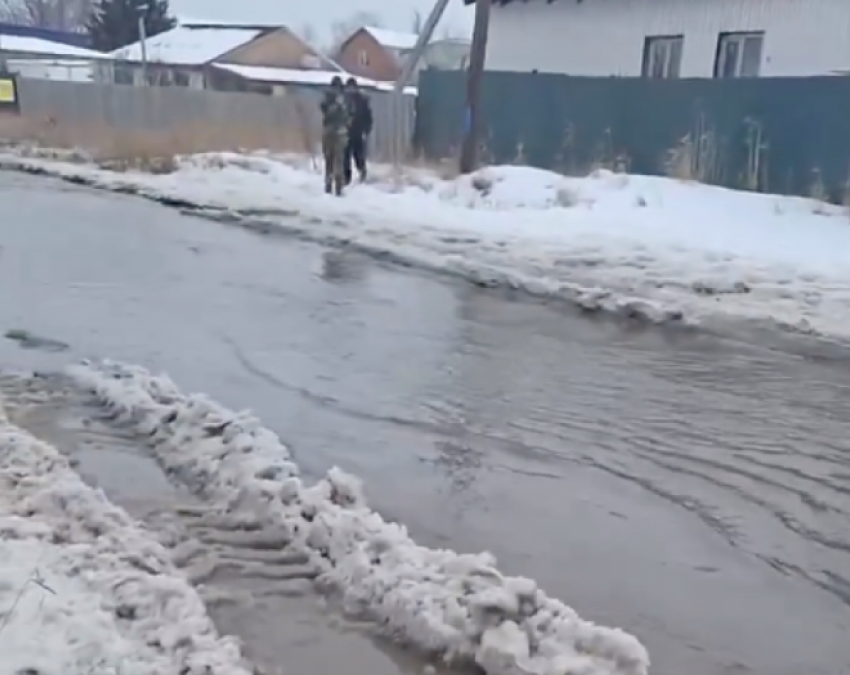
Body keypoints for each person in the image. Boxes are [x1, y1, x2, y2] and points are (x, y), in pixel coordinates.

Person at [319, 76, 350, 195]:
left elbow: (349, 114)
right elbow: (325, 111)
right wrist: (336, 105)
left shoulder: (344, 100)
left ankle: (337, 186)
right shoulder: (328, 99)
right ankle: (330, 184)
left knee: (337, 160)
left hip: (338, 131)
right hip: (331, 130)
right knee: (330, 159)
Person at [343, 77, 373, 185]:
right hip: (345, 133)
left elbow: (368, 118)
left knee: (359, 156)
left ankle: (362, 173)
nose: (350, 90)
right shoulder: (343, 100)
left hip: (357, 133)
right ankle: (346, 178)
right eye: (348, 88)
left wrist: (366, 131)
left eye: (352, 88)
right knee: (345, 158)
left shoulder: (361, 101)